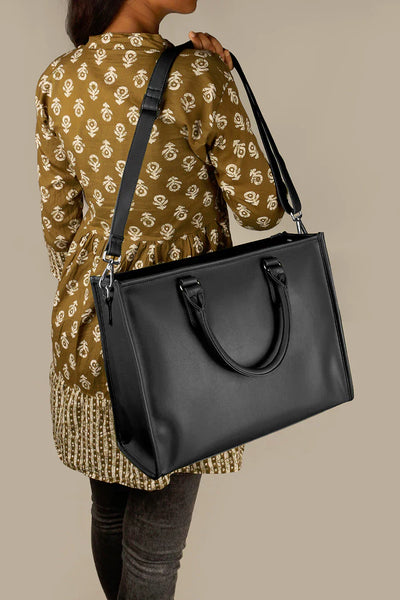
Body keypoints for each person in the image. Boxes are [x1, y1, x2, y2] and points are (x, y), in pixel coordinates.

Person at [34, 1, 284, 597]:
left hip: (93, 327)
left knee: (109, 515)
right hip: (187, 338)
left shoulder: (58, 79)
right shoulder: (199, 73)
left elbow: (59, 226)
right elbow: (261, 208)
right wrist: (225, 85)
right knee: (154, 558)